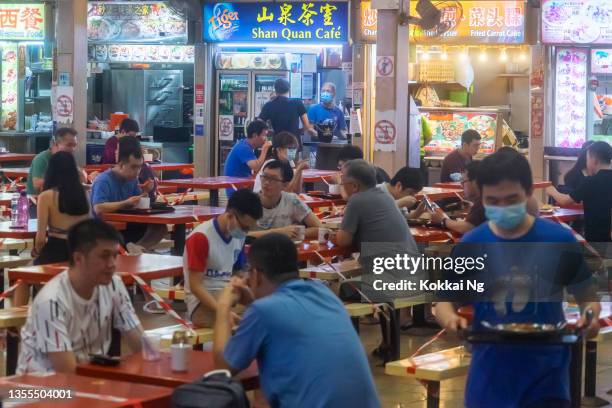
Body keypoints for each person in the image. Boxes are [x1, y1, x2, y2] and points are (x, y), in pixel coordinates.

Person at [434, 150, 600, 408]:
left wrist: (588, 320)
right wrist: (451, 320)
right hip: (489, 377)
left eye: (511, 199)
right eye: (492, 201)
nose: (501, 208)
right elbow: (443, 301)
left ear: (529, 192)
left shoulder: (558, 241)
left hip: (547, 378)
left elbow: (588, 298)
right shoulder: (472, 244)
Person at [212, 233, 380, 408]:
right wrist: (254, 301)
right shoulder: (323, 293)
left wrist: (223, 306)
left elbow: (223, 367)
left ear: (256, 275)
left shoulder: (262, 311)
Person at [17, 219, 143, 374]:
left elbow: (141, 345)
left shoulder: (114, 284)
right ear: (78, 258)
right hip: (38, 390)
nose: (112, 264)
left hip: (87, 380)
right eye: (104, 256)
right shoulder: (51, 301)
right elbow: (66, 373)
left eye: (115, 255)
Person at [334, 160, 418, 360]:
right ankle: (388, 344)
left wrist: (332, 236)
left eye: (342, 180)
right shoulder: (385, 196)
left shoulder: (357, 200)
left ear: (354, 185)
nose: (340, 184)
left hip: (390, 278)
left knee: (343, 289)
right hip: (410, 271)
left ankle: (351, 353)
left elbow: (343, 240)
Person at [184, 189, 263, 328]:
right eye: (244, 227)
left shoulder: (239, 236)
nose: (245, 232)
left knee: (267, 308)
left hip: (228, 293)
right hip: (202, 303)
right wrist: (223, 311)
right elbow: (196, 287)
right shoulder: (201, 237)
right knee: (253, 320)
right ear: (230, 215)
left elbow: (239, 271)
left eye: (248, 229)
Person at [91, 137, 165, 251]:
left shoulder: (133, 180)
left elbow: (137, 203)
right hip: (107, 229)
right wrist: (125, 203)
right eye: (134, 167)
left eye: (139, 167)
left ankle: (137, 250)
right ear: (121, 165)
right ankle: (131, 252)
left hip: (128, 224)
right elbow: (98, 208)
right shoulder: (103, 180)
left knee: (160, 227)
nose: (138, 171)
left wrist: (146, 192)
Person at [546, 141, 612, 243]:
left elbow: (564, 201)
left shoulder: (590, 182)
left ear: (594, 160)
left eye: (587, 159)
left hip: (596, 240)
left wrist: (552, 191)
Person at [33, 152, 90, 265]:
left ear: (51, 171)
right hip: (83, 252)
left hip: (56, 251)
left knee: (24, 274)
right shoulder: (85, 194)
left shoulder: (46, 196)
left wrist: (37, 252)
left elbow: (40, 240)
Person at [249, 160, 322, 240]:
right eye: (264, 176)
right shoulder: (247, 200)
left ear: (285, 185)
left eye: (273, 179)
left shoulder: (292, 200)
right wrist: (280, 233)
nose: (266, 182)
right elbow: (236, 234)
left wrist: (293, 232)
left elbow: (320, 228)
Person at [224, 119, 272, 198]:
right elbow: (256, 167)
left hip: (244, 187)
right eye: (264, 136)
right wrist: (265, 149)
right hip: (236, 191)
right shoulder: (243, 147)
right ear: (255, 135)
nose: (266, 139)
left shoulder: (247, 146)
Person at [258, 78, 316, 144]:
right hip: (293, 143)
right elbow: (306, 126)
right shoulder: (297, 102)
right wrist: (298, 132)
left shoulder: (268, 105)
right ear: (289, 89)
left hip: (278, 142)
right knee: (291, 154)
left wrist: (269, 132)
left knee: (279, 154)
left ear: (275, 90)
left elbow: (259, 124)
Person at [26, 127, 79, 195]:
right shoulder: (42, 158)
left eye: (74, 145)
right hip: (37, 201)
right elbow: (37, 185)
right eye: (69, 145)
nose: (73, 149)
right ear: (56, 144)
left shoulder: (67, 159)